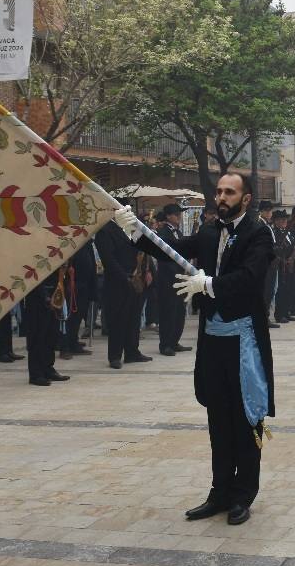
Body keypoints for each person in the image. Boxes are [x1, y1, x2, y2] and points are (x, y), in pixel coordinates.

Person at [114, 172, 275, 525]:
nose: (221, 196)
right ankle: (219, 492)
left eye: (229, 192)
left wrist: (211, 283)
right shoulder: (209, 231)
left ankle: (242, 495)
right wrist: (134, 230)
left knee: (246, 419)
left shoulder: (259, 233)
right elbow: (169, 249)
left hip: (244, 342)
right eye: (219, 191)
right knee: (217, 420)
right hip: (213, 342)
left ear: (245, 198)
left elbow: (250, 278)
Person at [95, 221, 151, 369]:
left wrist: (144, 270)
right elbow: (108, 259)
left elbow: (140, 250)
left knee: (134, 317)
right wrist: (124, 277)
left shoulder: (132, 227)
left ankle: (132, 352)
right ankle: (115, 356)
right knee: (118, 319)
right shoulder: (105, 231)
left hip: (136, 279)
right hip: (118, 282)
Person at [22, 264, 72, 388]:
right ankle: (36, 373)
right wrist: (45, 296)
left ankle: (48, 368)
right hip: (37, 297)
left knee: (51, 335)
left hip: (55, 289)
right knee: (37, 336)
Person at [154, 204, 191, 355]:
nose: (179, 217)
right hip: (168, 279)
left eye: (179, 214)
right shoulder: (163, 232)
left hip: (180, 278)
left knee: (179, 311)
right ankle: (165, 344)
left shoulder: (179, 233)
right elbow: (165, 258)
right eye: (176, 214)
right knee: (168, 312)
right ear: (168, 216)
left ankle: (174, 341)